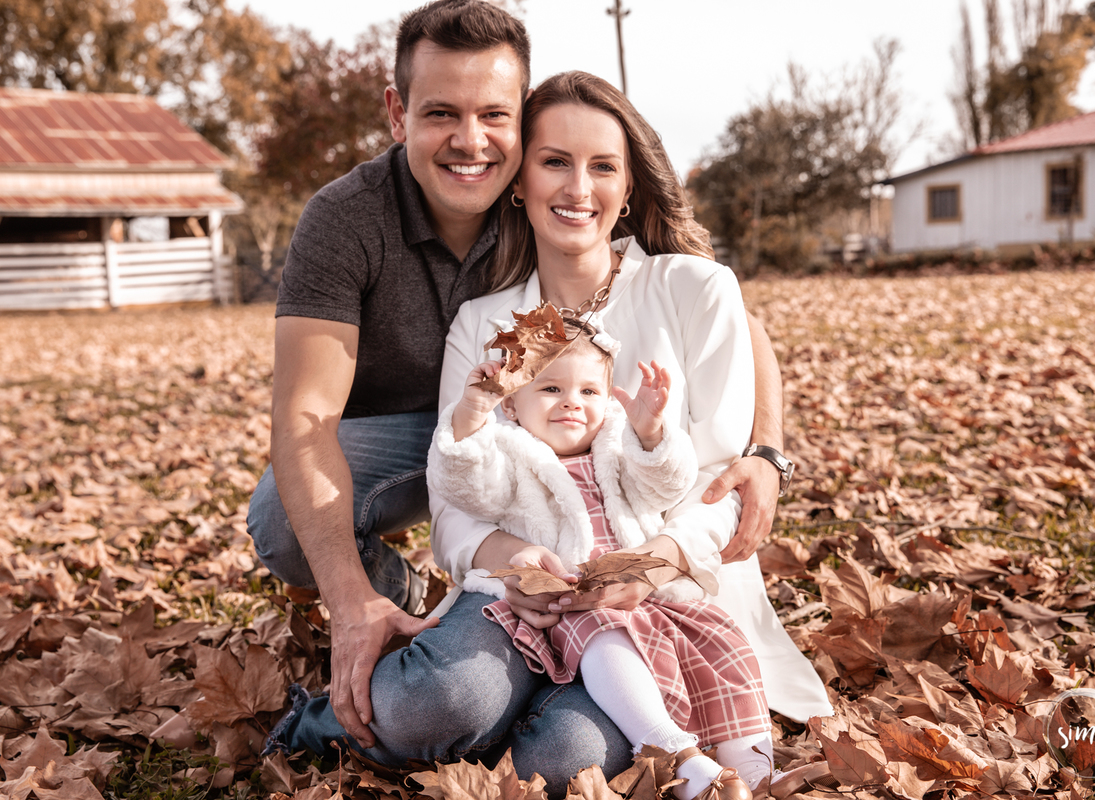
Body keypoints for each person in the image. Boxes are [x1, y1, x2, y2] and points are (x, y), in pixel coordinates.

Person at [251, 0, 823, 791]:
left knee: (562, 759)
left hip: (659, 578)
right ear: (399, 114)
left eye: (494, 116)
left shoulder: (679, 281)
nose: (471, 141)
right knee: (423, 670)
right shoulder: (446, 283)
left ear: (627, 185)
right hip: (488, 483)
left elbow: (734, 364)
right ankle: (405, 631)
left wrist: (764, 455)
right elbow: (333, 432)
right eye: (441, 113)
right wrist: (473, 568)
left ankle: (514, 713)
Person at [429, 319, 775, 799]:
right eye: (551, 387)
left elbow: (666, 487)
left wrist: (651, 434)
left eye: (590, 391)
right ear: (512, 401)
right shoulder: (509, 452)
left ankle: (753, 772)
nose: (572, 401)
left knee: (723, 642)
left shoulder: (615, 446)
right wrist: (471, 413)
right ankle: (673, 751)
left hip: (637, 595)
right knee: (604, 636)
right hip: (565, 603)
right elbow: (467, 487)